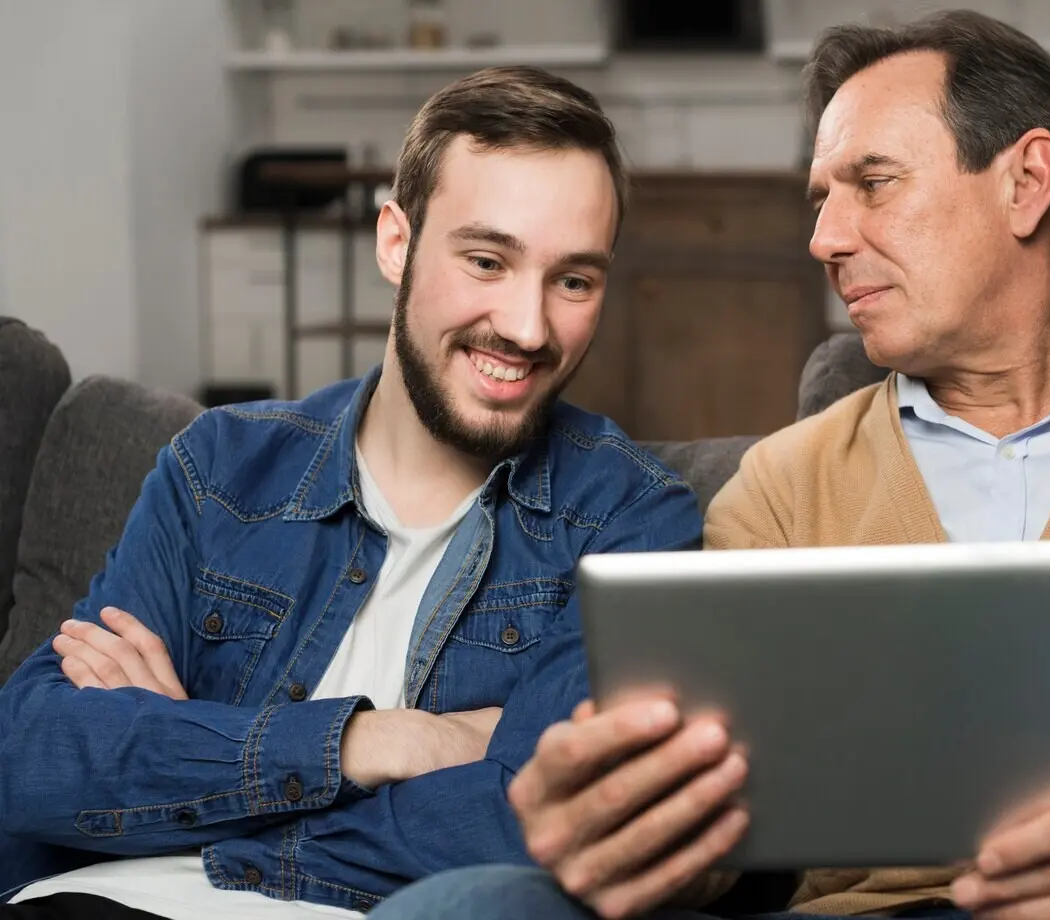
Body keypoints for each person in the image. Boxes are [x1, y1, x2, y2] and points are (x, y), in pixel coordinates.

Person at [370, 10, 1050, 920]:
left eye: (873, 184)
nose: (823, 237)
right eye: (820, 199)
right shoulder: (783, 486)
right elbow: (716, 828)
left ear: (1027, 180)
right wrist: (623, 821)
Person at [0, 65, 702, 920]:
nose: (528, 327)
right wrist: (377, 741)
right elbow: (30, 754)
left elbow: (538, 824)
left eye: (575, 281)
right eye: (487, 260)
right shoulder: (220, 469)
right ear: (396, 243)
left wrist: (191, 776)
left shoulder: (632, 521)